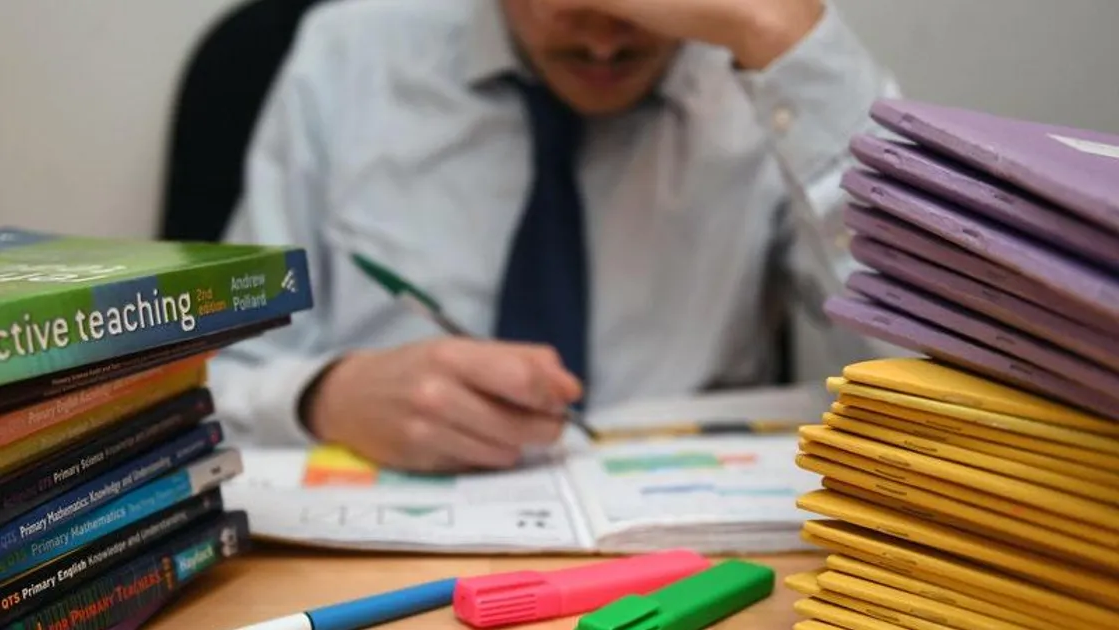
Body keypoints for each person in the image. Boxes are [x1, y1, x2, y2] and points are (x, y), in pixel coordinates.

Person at [209, 0, 901, 473]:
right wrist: (324, 397)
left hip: (699, 548)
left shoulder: (770, 75)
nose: (603, 42)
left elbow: (939, 374)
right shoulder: (347, 57)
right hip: (391, 536)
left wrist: (785, 40)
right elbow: (204, 385)